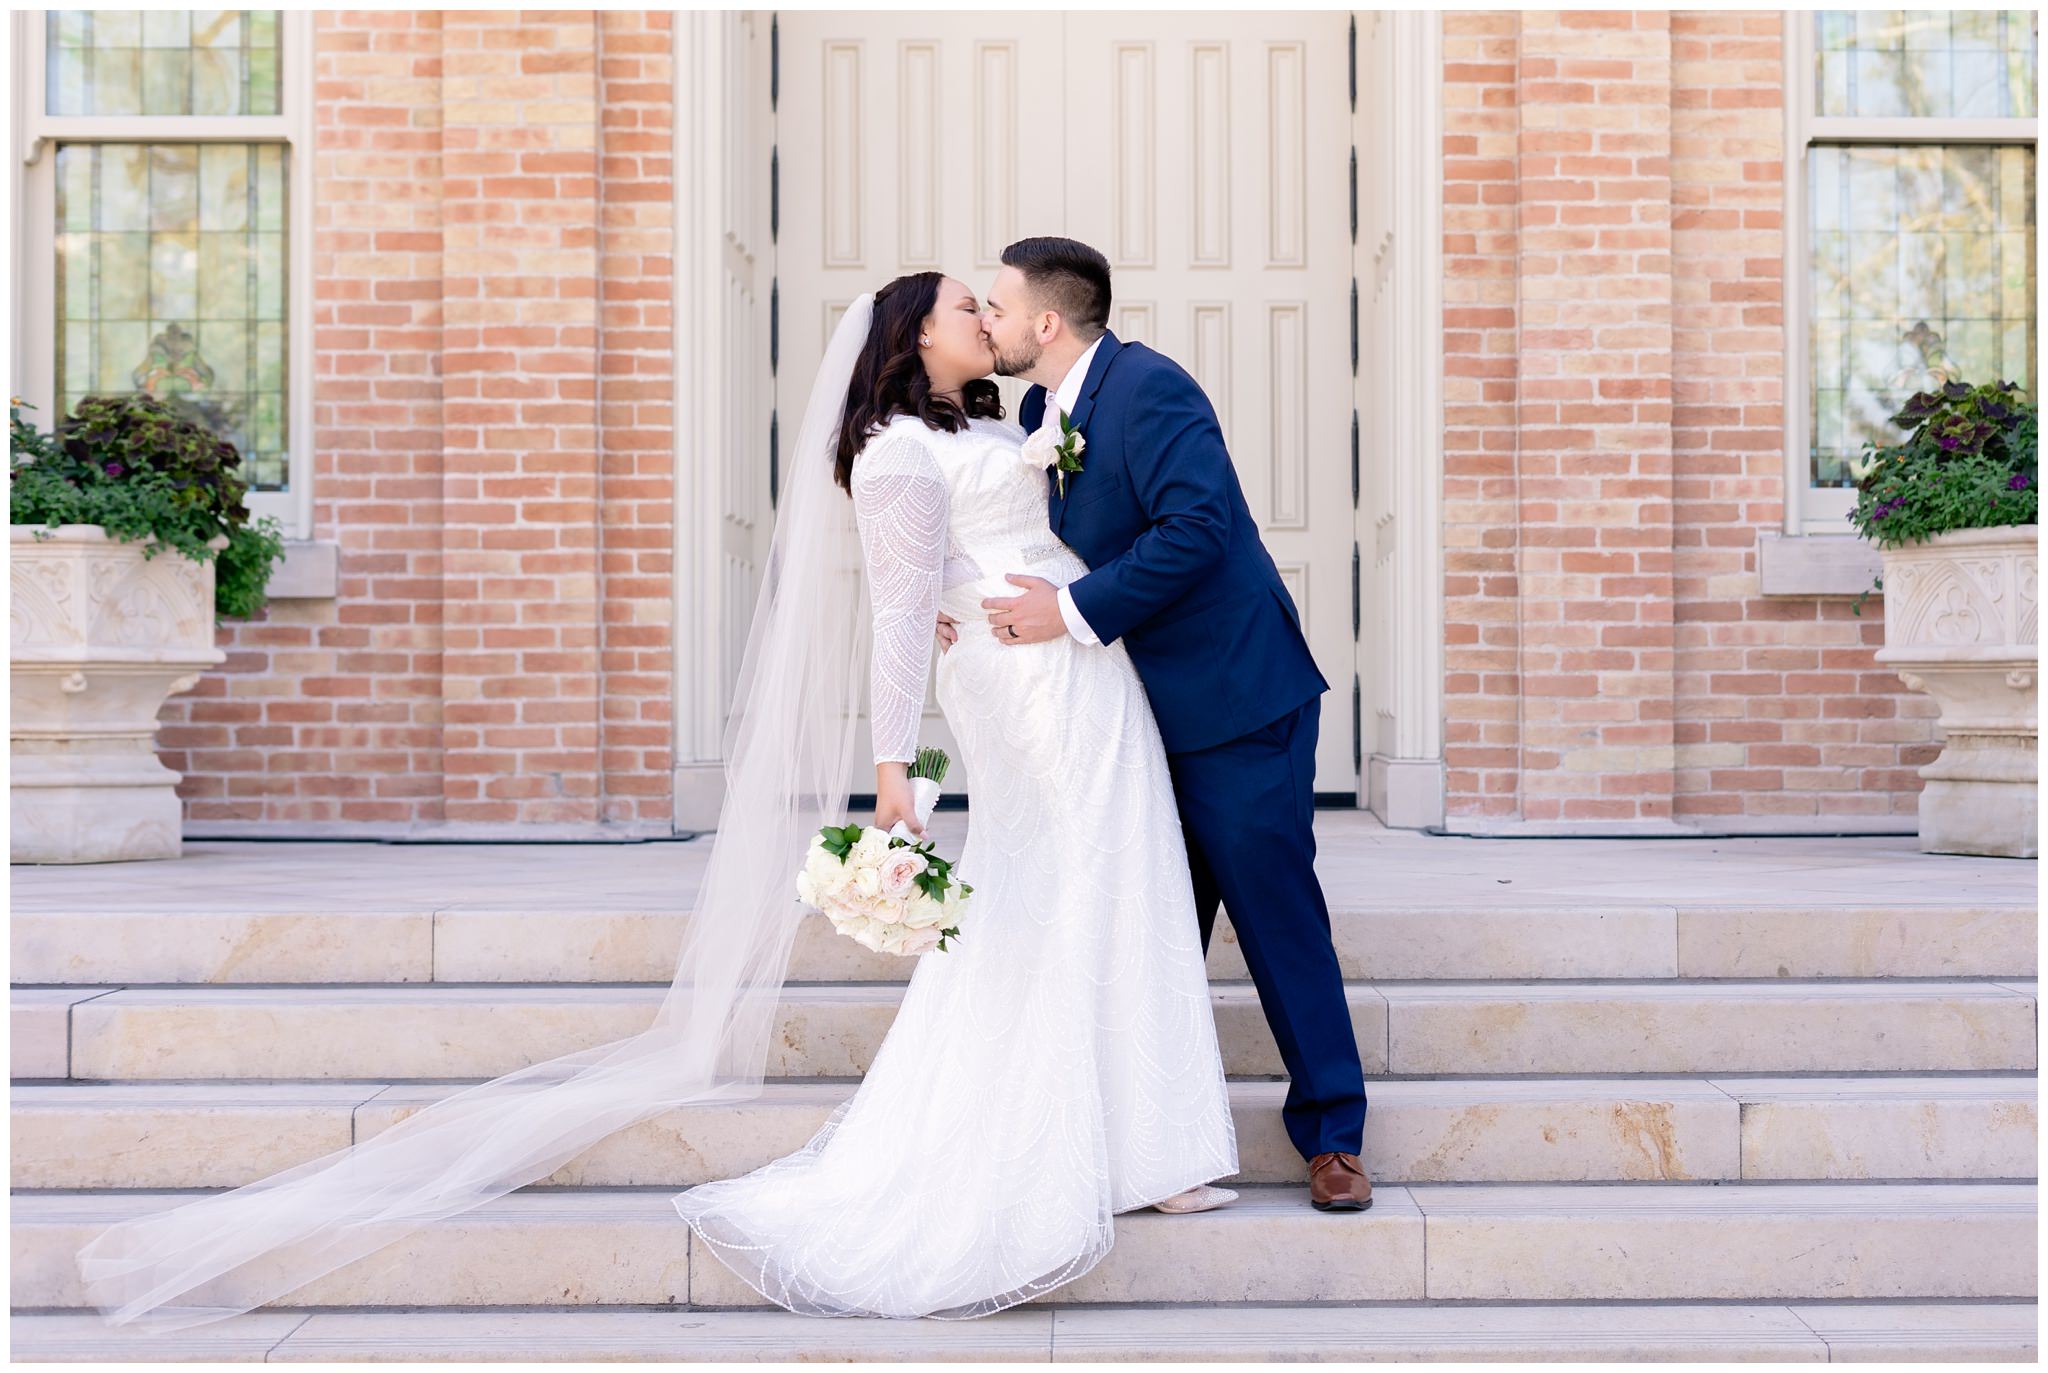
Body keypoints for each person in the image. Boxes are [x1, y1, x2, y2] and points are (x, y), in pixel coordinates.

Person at [72, 270, 1240, 1332]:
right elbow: (897, 612)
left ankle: (1140, 1140)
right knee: (1064, 878)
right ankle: (1086, 1148)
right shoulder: (892, 451)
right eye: (961, 310)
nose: (984, 319)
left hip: (1076, 662)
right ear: (910, 338)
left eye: (987, 308)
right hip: (1019, 681)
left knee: (1106, 871)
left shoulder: (991, 421)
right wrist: (891, 764)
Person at [956, 237, 1373, 1212]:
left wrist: (1061, 614)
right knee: (1145, 929)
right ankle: (1149, 1138)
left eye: (997, 306)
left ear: (1046, 323)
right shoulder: (1036, 409)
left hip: (1236, 700)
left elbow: (1196, 528)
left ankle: (1332, 1133)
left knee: (1274, 921)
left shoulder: (1150, 388)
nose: (988, 322)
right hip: (1132, 714)